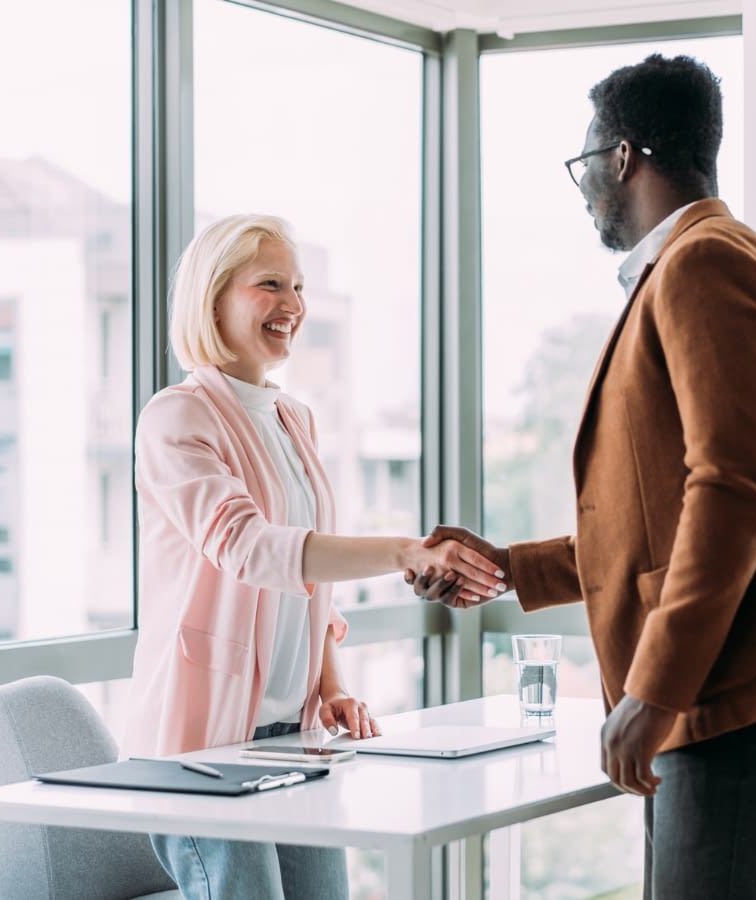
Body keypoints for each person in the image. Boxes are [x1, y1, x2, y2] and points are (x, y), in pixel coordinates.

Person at [411, 55, 756, 900]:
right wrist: (511, 567)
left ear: (624, 156)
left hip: (733, 698)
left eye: (587, 163)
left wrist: (656, 690)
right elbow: (658, 520)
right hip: (728, 693)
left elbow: (733, 490)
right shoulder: (700, 263)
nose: (585, 187)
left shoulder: (705, 264)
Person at [124, 213, 506, 900]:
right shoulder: (176, 418)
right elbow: (252, 550)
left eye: (298, 287)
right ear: (213, 297)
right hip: (202, 747)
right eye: (270, 284)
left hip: (291, 740)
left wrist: (332, 683)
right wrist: (402, 552)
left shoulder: (292, 418)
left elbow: (303, 584)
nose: (293, 305)